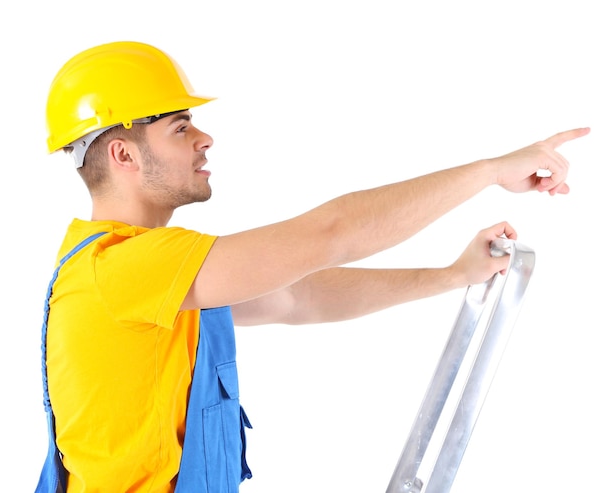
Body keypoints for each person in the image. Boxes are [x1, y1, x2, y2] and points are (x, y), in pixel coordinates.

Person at [35, 40, 589, 493]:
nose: (205, 138)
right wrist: (492, 169)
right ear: (123, 154)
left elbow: (299, 297)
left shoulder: (156, 281)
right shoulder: (122, 268)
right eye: (180, 127)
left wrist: (450, 275)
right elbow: (330, 235)